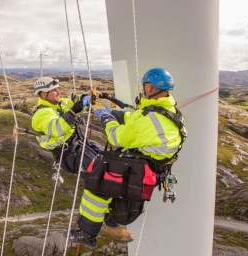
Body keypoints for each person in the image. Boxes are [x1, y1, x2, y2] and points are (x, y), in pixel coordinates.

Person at [66, 68, 187, 249]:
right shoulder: (167, 109)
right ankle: (108, 223)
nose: (143, 89)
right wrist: (119, 115)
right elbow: (137, 118)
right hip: (154, 165)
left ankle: (87, 233)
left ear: (152, 88)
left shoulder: (152, 118)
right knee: (107, 178)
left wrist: (108, 119)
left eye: (145, 86)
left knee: (98, 179)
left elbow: (116, 137)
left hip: (144, 167)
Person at [31, 76, 102, 174]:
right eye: (54, 90)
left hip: (80, 144)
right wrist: (73, 112)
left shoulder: (60, 103)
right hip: (69, 154)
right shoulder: (41, 114)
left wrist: (84, 98)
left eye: (58, 88)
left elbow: (75, 102)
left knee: (110, 156)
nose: (59, 92)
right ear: (44, 95)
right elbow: (57, 129)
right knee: (102, 168)